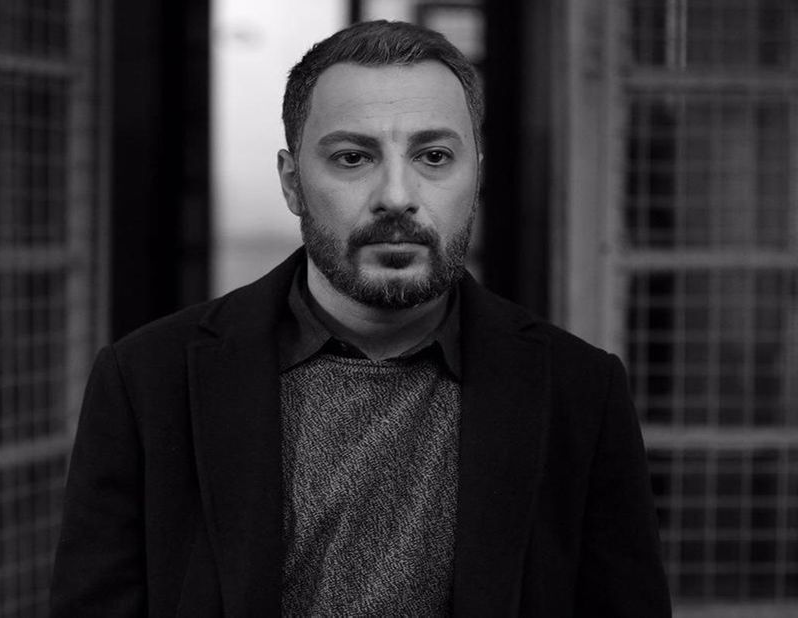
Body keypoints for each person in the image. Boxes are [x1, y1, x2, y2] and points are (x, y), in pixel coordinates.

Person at [50, 20, 671, 617]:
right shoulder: (146, 382)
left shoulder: (580, 392)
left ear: (477, 177)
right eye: (352, 158)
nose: (397, 197)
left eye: (434, 156)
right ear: (292, 183)